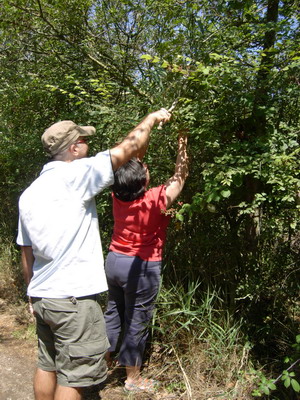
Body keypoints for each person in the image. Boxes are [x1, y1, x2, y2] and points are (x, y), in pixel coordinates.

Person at [16, 108, 171, 400]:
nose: (89, 146)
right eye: (84, 141)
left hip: (43, 296)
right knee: (75, 377)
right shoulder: (77, 175)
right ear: (73, 147)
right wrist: (151, 119)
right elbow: (129, 147)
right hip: (73, 299)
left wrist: (30, 292)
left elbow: (26, 250)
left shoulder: (30, 193)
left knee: (47, 365)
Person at [104, 132, 188, 392]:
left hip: (114, 261)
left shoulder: (118, 195)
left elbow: (134, 163)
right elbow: (180, 176)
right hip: (140, 267)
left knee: (113, 312)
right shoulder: (155, 199)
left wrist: (148, 130)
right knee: (137, 319)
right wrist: (183, 142)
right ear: (142, 179)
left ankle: (103, 362)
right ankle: (132, 378)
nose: (145, 166)